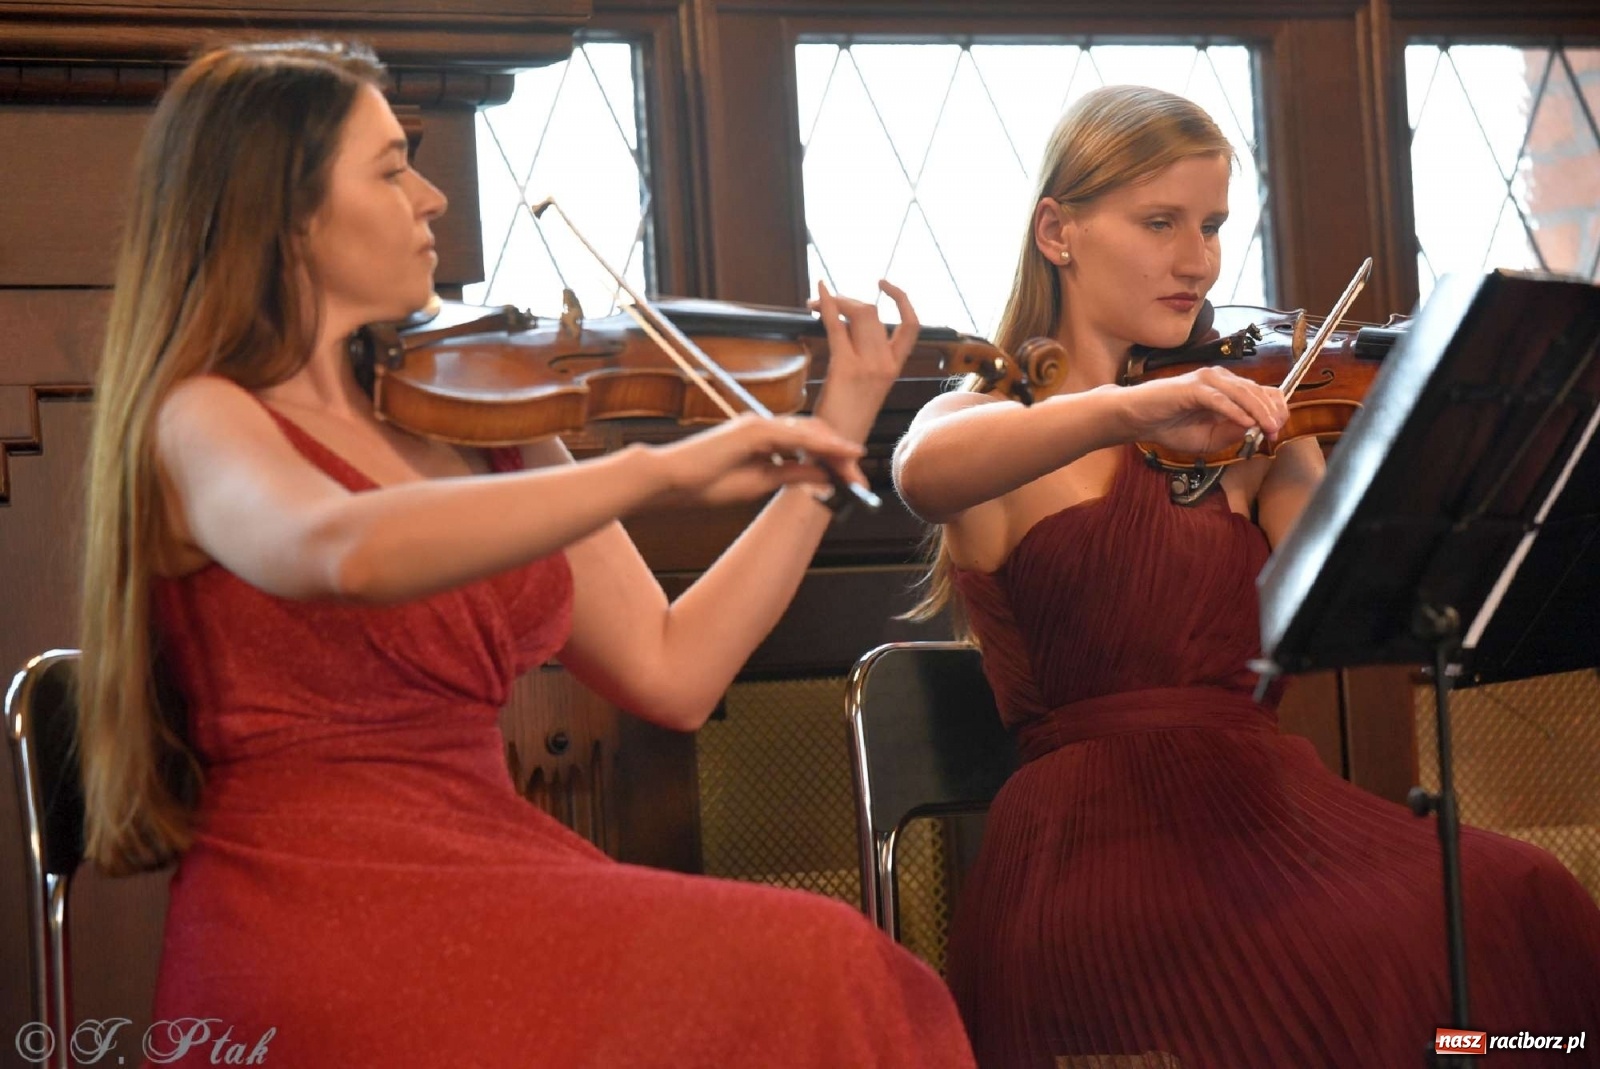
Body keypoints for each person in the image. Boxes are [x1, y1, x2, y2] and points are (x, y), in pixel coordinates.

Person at [76, 40, 977, 1068]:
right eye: (388, 168)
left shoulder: (481, 411)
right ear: (282, 217)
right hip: (311, 903)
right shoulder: (200, 420)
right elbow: (335, 548)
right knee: (817, 971)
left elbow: (672, 669)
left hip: (492, 863)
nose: (432, 198)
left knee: (839, 969)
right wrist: (653, 475)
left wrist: (837, 426)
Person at [892, 84, 1600, 1069]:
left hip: (1273, 813)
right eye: (1159, 222)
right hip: (1095, 852)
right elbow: (919, 474)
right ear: (1057, 230)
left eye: (1213, 225)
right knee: (1381, 965)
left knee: (1521, 901)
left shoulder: (1245, 422)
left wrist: (1406, 438)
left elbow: (1344, 594)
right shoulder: (993, 416)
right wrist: (1132, 410)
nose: (1197, 259)